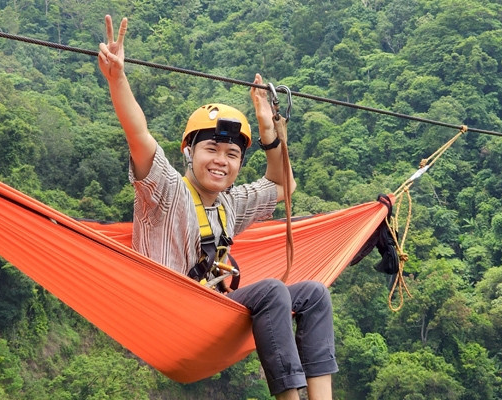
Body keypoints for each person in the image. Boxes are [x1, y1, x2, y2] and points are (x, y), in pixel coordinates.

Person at [98, 15, 338, 399]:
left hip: (215, 313)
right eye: (211, 149)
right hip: (172, 318)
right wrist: (117, 78)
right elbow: (139, 135)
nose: (221, 162)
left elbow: (283, 185)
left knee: (313, 294)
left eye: (231, 155)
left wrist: (267, 130)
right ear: (189, 153)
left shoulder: (230, 203)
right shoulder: (166, 192)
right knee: (273, 291)